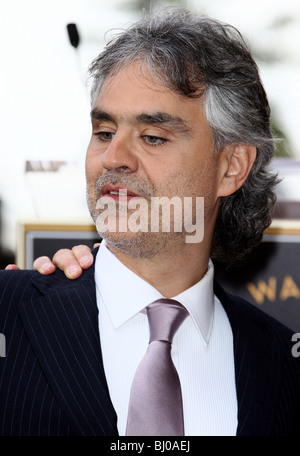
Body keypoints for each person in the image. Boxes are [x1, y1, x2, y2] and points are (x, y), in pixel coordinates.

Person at [1, 7, 300, 436]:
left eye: (153, 137)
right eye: (104, 132)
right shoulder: (8, 315)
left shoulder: (282, 365)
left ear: (231, 166)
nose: (113, 158)